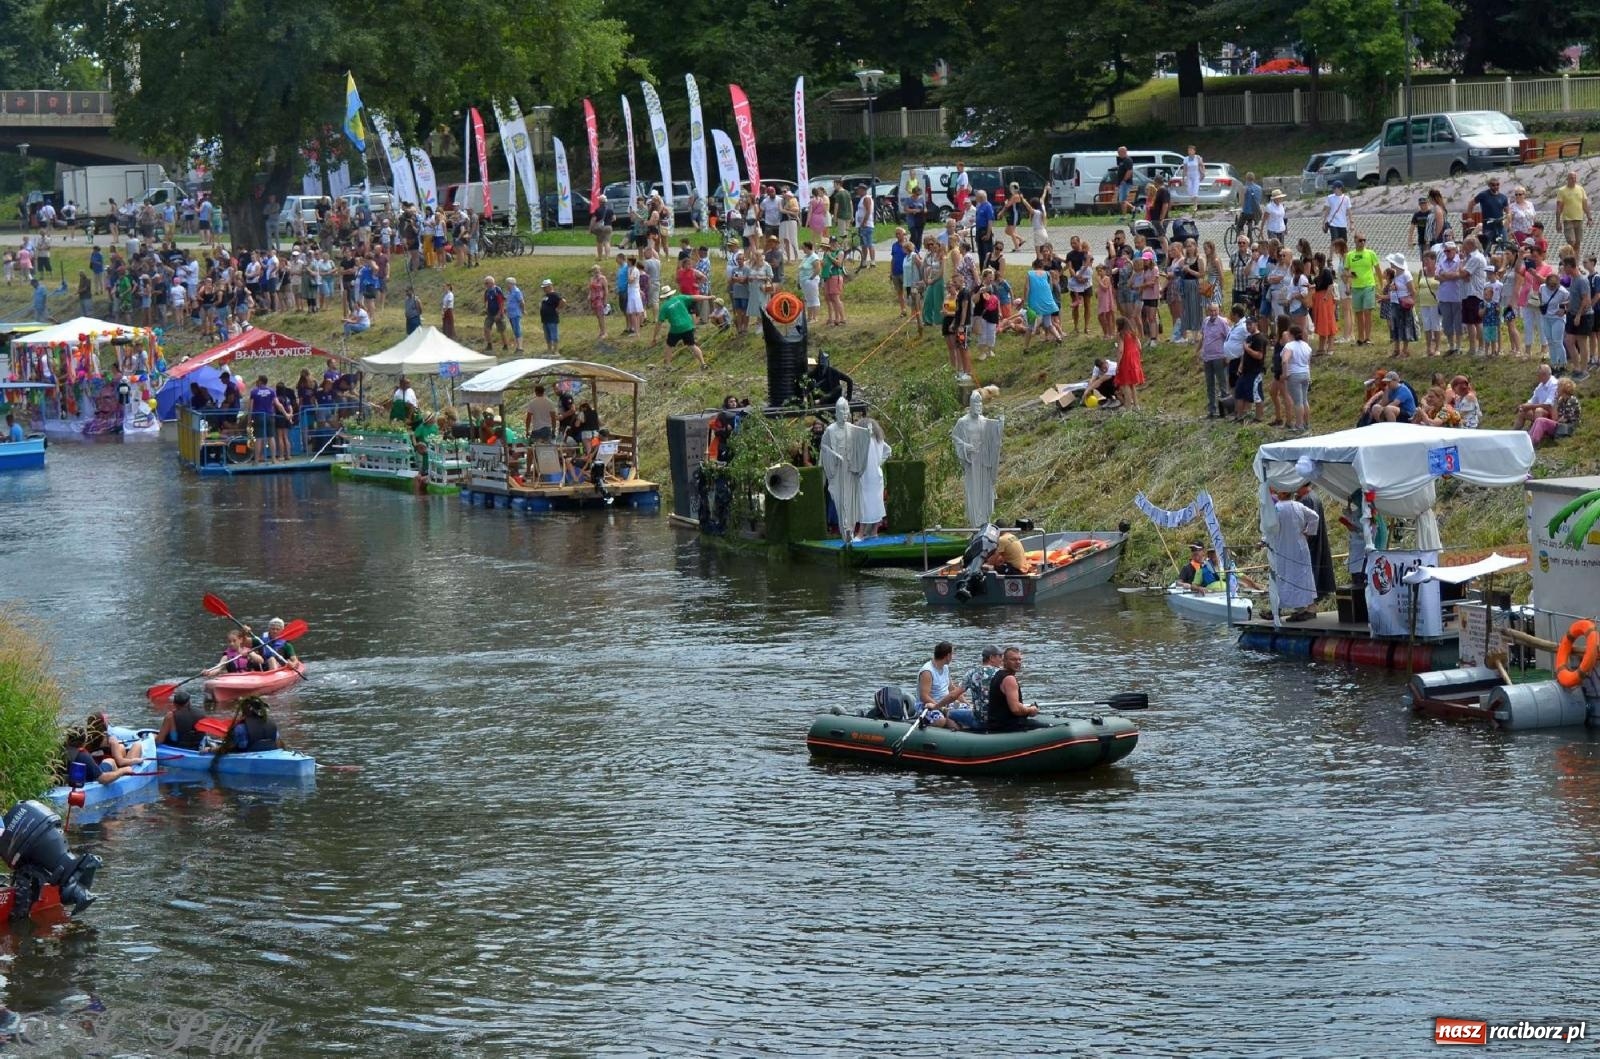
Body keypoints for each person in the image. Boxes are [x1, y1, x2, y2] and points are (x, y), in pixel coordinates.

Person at [1267, 489, 1322, 622]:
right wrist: (1308, 531)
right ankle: (1305, 608)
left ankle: (1282, 608)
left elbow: (1270, 528)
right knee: (1302, 576)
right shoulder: (1298, 505)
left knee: (1284, 576)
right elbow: (1315, 517)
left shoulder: (1277, 508)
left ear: (1283, 493)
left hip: (1284, 547)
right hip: (1299, 546)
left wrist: (1264, 541)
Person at [652, 285, 713, 368]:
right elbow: (696, 297)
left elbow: (659, 323)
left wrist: (654, 337)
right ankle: (703, 363)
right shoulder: (680, 298)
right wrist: (709, 297)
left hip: (676, 329)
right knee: (692, 345)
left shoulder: (664, 307)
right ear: (671, 293)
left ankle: (668, 365)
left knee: (669, 346)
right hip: (688, 326)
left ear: (664, 297)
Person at [985, 647, 1040, 734]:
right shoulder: (1009, 679)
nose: (1018, 662)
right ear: (1004, 661)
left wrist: (1026, 708)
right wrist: (1031, 710)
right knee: (1050, 728)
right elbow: (1016, 710)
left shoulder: (998, 674)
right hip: (1008, 727)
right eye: (1013, 660)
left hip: (995, 724)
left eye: (1019, 659)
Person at [62, 725, 138, 786]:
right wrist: (122, 771)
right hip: (89, 781)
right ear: (84, 741)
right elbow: (103, 779)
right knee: (110, 761)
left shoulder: (61, 750)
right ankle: (121, 782)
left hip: (74, 779)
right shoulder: (83, 755)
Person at [916, 642, 969, 729]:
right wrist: (940, 707)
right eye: (952, 654)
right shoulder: (927, 672)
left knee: (967, 710)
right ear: (948, 656)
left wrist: (966, 702)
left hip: (944, 703)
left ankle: (955, 723)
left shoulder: (945, 668)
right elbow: (924, 697)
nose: (953, 657)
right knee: (941, 721)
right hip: (928, 705)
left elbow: (952, 689)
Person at [1344, 234, 1379, 346]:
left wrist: (1382, 284)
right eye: (1360, 240)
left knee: (1367, 312)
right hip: (1356, 287)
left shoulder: (1370, 253)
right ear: (1355, 241)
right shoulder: (1350, 255)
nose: (1362, 242)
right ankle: (1360, 338)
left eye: (1364, 240)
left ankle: (1368, 338)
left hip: (1368, 285)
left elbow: (1378, 269)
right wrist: (1348, 283)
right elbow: (1346, 272)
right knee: (1358, 313)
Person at [1529, 377, 1580, 445]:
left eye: (1558, 386)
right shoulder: (1561, 400)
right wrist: (1555, 401)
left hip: (1568, 428)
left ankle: (1533, 442)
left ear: (1563, 388)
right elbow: (1556, 418)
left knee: (1541, 421)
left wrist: (1557, 420)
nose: (1557, 388)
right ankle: (1529, 439)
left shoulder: (1572, 400)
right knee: (1538, 420)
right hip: (1561, 426)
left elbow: (1564, 419)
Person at [1513, 362, 1561, 429]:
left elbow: (1548, 406)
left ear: (1544, 375)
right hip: (1542, 412)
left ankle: (1535, 434)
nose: (1537, 377)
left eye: (1539, 375)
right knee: (1522, 412)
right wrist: (1523, 406)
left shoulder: (1554, 384)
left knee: (1539, 410)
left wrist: (1530, 406)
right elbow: (1533, 400)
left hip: (1553, 413)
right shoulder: (1540, 385)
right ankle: (1514, 434)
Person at [1554, 170, 1591, 252]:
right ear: (1567, 179)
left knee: (1578, 244)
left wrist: (1589, 218)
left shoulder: (1580, 189)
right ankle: (1567, 256)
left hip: (1579, 219)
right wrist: (1558, 222)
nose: (1573, 180)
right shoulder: (1562, 190)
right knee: (1571, 241)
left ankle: (1576, 263)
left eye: (1574, 178)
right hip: (1568, 220)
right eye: (1571, 178)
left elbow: (1585, 204)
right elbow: (1559, 207)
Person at [537, 278, 563, 355]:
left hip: (552, 318)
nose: (544, 289)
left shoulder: (554, 295)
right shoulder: (546, 296)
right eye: (543, 288)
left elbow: (563, 301)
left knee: (554, 334)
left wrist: (558, 308)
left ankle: (555, 350)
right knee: (547, 335)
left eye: (545, 287)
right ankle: (549, 349)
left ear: (549, 286)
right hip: (545, 319)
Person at [1322, 180, 1352, 245]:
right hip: (1333, 223)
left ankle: (1344, 255)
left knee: (1344, 242)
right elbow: (1327, 211)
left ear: (1340, 188)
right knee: (1334, 241)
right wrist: (1323, 222)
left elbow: (1349, 211)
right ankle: (1331, 255)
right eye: (1333, 188)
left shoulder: (1346, 198)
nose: (1333, 190)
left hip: (1343, 223)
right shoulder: (1330, 197)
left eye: (1334, 188)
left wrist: (1352, 224)